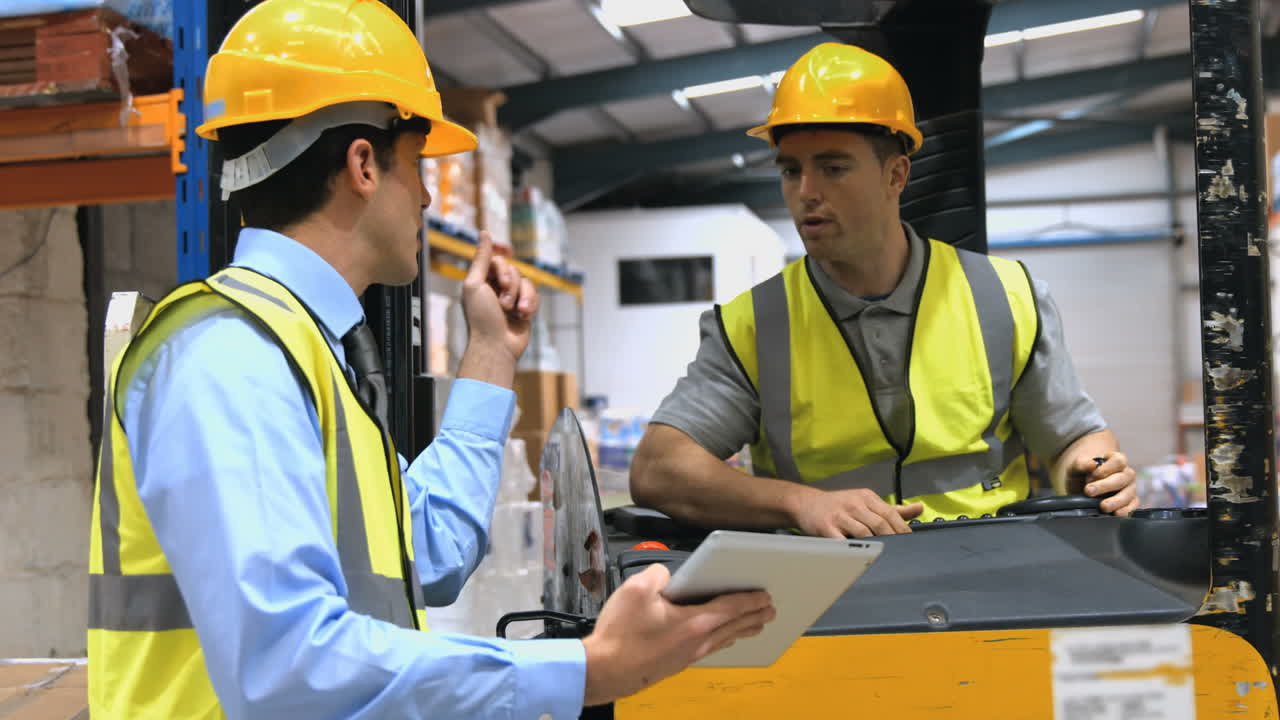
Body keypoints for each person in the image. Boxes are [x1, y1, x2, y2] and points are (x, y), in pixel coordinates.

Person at [86, 1, 774, 718]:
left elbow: (430, 551)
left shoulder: (309, 354)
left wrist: (490, 356)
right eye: (417, 166)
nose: (424, 195)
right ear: (361, 165)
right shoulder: (229, 358)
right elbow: (286, 668)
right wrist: (585, 668)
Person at [630, 43, 1139, 539]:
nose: (806, 191)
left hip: (990, 574)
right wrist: (799, 502)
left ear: (896, 174)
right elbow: (658, 469)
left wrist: (1088, 469)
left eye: (833, 168)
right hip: (823, 587)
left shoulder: (1006, 296)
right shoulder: (755, 325)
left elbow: (1074, 436)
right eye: (791, 170)